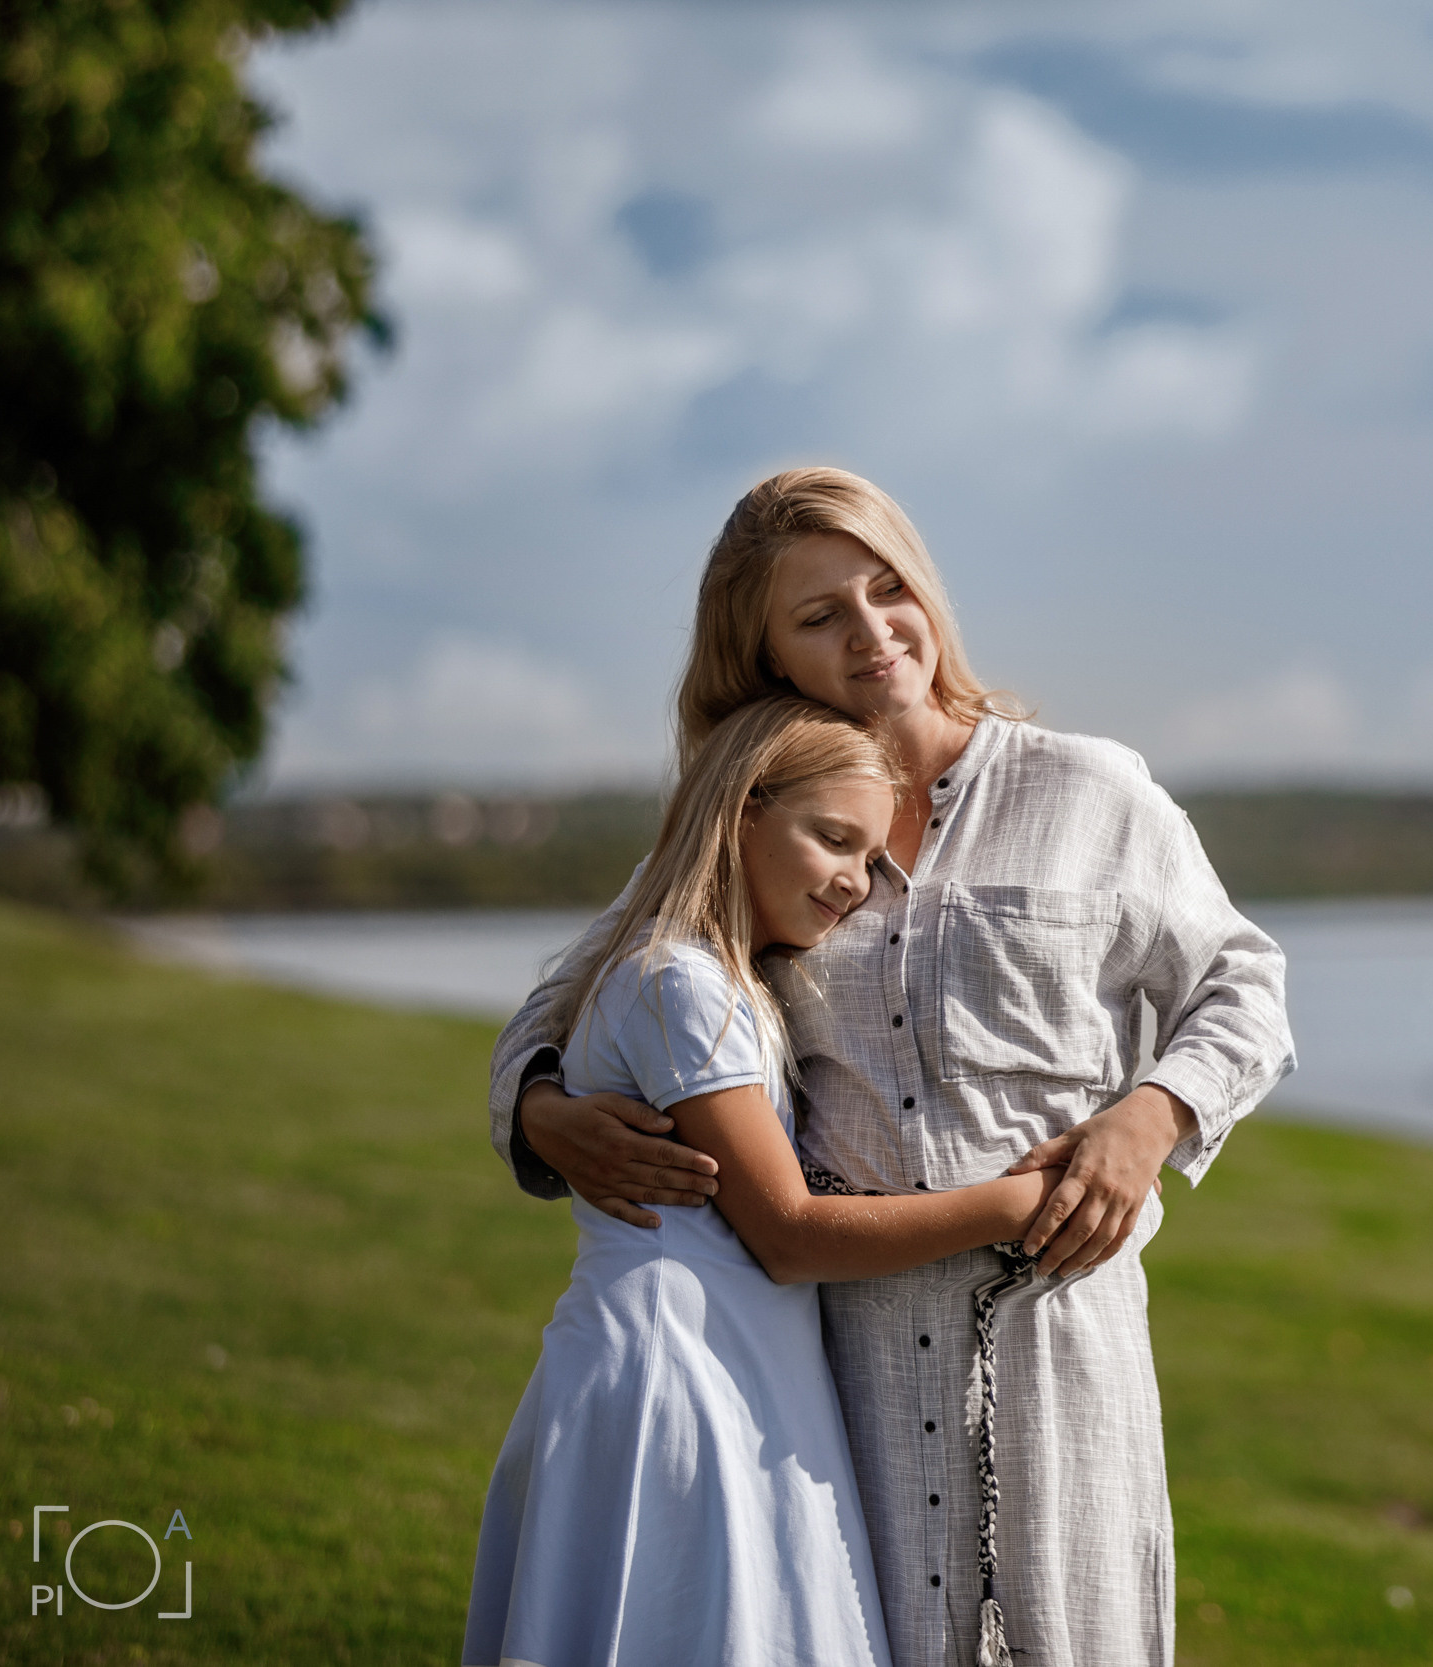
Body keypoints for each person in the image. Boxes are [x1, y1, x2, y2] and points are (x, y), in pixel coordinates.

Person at [487, 466, 1295, 1667]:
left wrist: (1150, 1116)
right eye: (820, 615)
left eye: (889, 589)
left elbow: (1245, 983)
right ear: (763, 656)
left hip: (1061, 1355)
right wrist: (543, 1109)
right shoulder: (762, 818)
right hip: (846, 1385)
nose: (872, 633)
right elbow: (566, 998)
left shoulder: (1091, 791)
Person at [464, 695, 1066, 1667]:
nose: (854, 882)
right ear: (743, 808)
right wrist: (1018, 1202)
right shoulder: (679, 983)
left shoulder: (721, 979)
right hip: (674, 1378)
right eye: (833, 839)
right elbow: (786, 1232)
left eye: (871, 859)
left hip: (734, 1363)